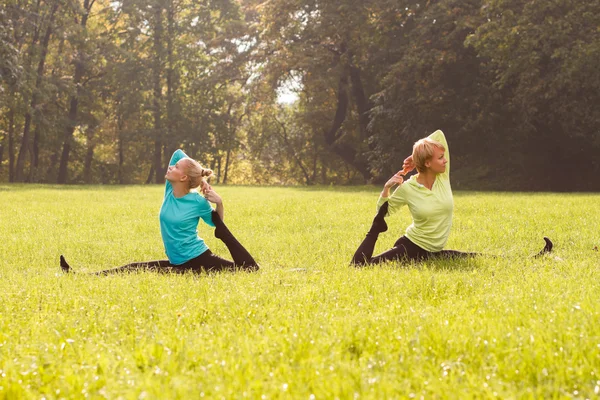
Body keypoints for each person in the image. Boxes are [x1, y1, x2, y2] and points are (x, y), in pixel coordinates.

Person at [350, 129, 552, 265]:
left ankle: (535, 259)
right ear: (428, 163)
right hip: (410, 248)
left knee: (479, 258)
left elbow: (439, 134)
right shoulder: (408, 188)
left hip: (434, 252)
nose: (445, 160)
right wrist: (386, 189)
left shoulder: (442, 177)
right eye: (440, 158)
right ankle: (373, 239)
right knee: (362, 266)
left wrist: (416, 155)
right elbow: (383, 213)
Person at [60, 149, 259, 274]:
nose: (171, 166)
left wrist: (219, 204)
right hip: (178, 263)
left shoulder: (197, 202)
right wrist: (200, 176)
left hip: (200, 260)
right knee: (134, 268)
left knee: (247, 271)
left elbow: (217, 226)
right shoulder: (169, 192)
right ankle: (80, 276)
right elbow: (178, 153)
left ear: (182, 178)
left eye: (176, 167)